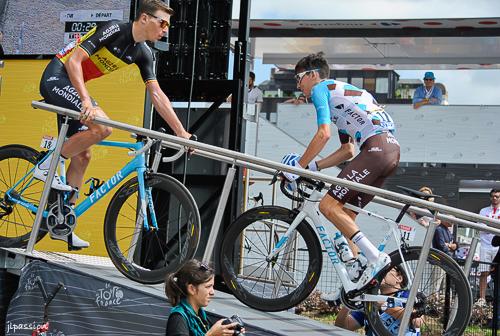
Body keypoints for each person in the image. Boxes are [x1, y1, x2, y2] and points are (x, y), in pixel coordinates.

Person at [36, 0, 192, 248]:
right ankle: (47, 163)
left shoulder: (143, 53)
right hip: (57, 77)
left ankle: (64, 222)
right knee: (103, 127)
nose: (165, 30)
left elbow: (157, 95)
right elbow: (74, 61)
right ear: (144, 18)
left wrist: (181, 132)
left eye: (167, 26)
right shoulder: (114, 28)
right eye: (162, 23)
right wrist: (86, 100)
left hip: (74, 86)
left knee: (83, 155)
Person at [282, 52, 399, 292]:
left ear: (313, 75)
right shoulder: (342, 94)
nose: (298, 85)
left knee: (327, 206)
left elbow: (323, 134)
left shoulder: (320, 90)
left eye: (299, 78)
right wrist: (313, 167)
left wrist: (298, 167)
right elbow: (347, 150)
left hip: (376, 148)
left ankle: (376, 258)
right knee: (346, 215)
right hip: (390, 150)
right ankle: (357, 277)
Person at [335, 266, 422, 335]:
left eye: (387, 269)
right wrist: (349, 302)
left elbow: (417, 322)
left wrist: (384, 306)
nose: (381, 272)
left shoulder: (409, 296)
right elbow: (342, 327)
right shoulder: (369, 300)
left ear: (399, 278)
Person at [165, 259, 244, 336]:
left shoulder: (201, 316)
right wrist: (211, 334)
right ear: (192, 289)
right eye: (208, 286)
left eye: (212, 286)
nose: (212, 292)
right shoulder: (177, 319)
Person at [477, 189, 500, 305]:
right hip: (485, 245)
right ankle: (482, 298)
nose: (494, 198)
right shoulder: (483, 210)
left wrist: (489, 225)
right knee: (484, 272)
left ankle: (497, 299)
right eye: (492, 196)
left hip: (498, 247)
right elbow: (480, 226)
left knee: (498, 273)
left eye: (497, 196)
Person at [431, 217, 457, 293]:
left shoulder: (447, 230)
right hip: (439, 260)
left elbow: (455, 245)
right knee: (436, 287)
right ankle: (433, 302)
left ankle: (439, 302)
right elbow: (442, 246)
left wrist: (449, 245)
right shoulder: (439, 229)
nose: (452, 222)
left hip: (446, 260)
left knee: (445, 286)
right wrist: (451, 246)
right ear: (444, 219)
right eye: (451, 220)